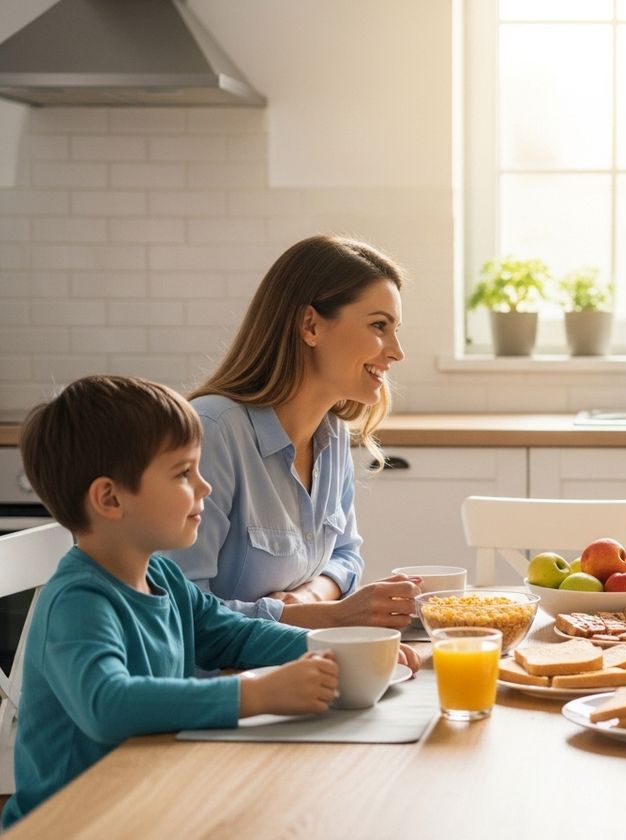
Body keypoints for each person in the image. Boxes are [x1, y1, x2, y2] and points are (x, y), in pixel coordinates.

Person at [2, 376, 408, 828]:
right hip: (73, 824)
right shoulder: (78, 601)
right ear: (110, 498)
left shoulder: (162, 577)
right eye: (183, 473)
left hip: (150, 802)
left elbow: (236, 636)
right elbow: (108, 704)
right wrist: (253, 695)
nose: (205, 487)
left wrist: (341, 649)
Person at [168, 235, 421, 629]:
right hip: (221, 685)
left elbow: (346, 555)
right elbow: (179, 612)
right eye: (379, 326)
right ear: (310, 325)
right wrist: (324, 615)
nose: (397, 351)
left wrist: (308, 598)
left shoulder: (332, 434)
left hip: (295, 670)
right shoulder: (214, 432)